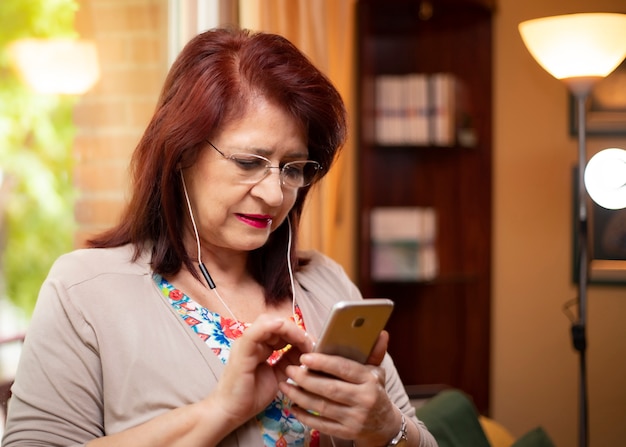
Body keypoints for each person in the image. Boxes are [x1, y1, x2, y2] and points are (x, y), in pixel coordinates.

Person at [2, 28, 437, 447]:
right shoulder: (85, 291)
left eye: (292, 168)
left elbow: (418, 438)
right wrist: (219, 412)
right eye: (249, 162)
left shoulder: (325, 282)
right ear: (180, 153)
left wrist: (386, 427)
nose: (273, 194)